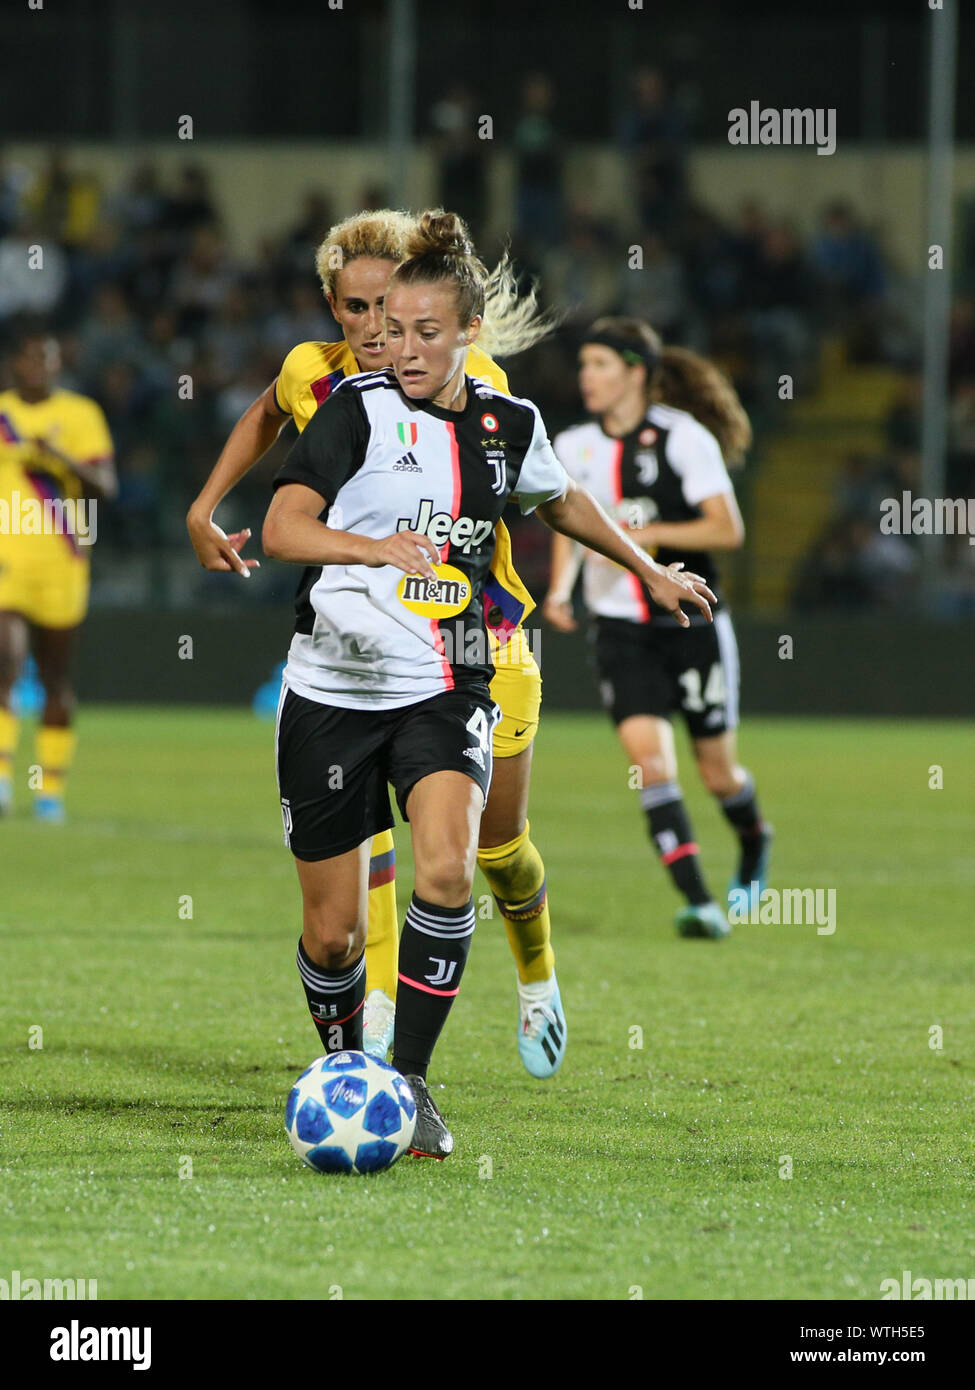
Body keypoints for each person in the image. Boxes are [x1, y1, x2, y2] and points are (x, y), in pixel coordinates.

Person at [262, 213, 715, 1157]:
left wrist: (654, 572)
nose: (406, 346)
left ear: (468, 331)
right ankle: (348, 1064)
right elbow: (282, 527)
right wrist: (367, 547)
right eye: (394, 326)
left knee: (443, 869)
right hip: (334, 681)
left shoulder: (511, 425)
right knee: (335, 936)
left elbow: (564, 501)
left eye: (429, 331)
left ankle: (413, 1084)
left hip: (451, 671)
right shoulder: (354, 409)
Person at [188, 209, 570, 1080]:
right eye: (355, 312)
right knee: (386, 851)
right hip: (364, 653)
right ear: (333, 308)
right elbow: (263, 417)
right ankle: (385, 1029)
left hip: (484, 639)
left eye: (388, 311)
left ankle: (538, 974)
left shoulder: (473, 380)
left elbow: (541, 491)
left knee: (498, 847)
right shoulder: (315, 378)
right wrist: (203, 506)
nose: (373, 331)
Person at [544, 317, 771, 939]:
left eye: (599, 364)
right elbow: (568, 527)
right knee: (650, 763)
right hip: (621, 627)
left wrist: (649, 539)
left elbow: (727, 530)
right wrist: (559, 592)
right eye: (584, 364)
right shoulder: (572, 446)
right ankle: (699, 902)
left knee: (718, 774)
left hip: (691, 623)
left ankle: (754, 839)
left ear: (635, 372)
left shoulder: (682, 437)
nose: (586, 376)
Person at [0, 326, 117, 821]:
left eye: (47, 359)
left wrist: (59, 457)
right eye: (30, 358)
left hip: (63, 562)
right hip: (8, 560)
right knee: (6, 662)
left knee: (55, 678)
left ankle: (49, 789)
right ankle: (4, 781)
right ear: (17, 364)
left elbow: (107, 488)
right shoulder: (3, 414)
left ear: (57, 365)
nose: (38, 368)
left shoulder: (80, 415)